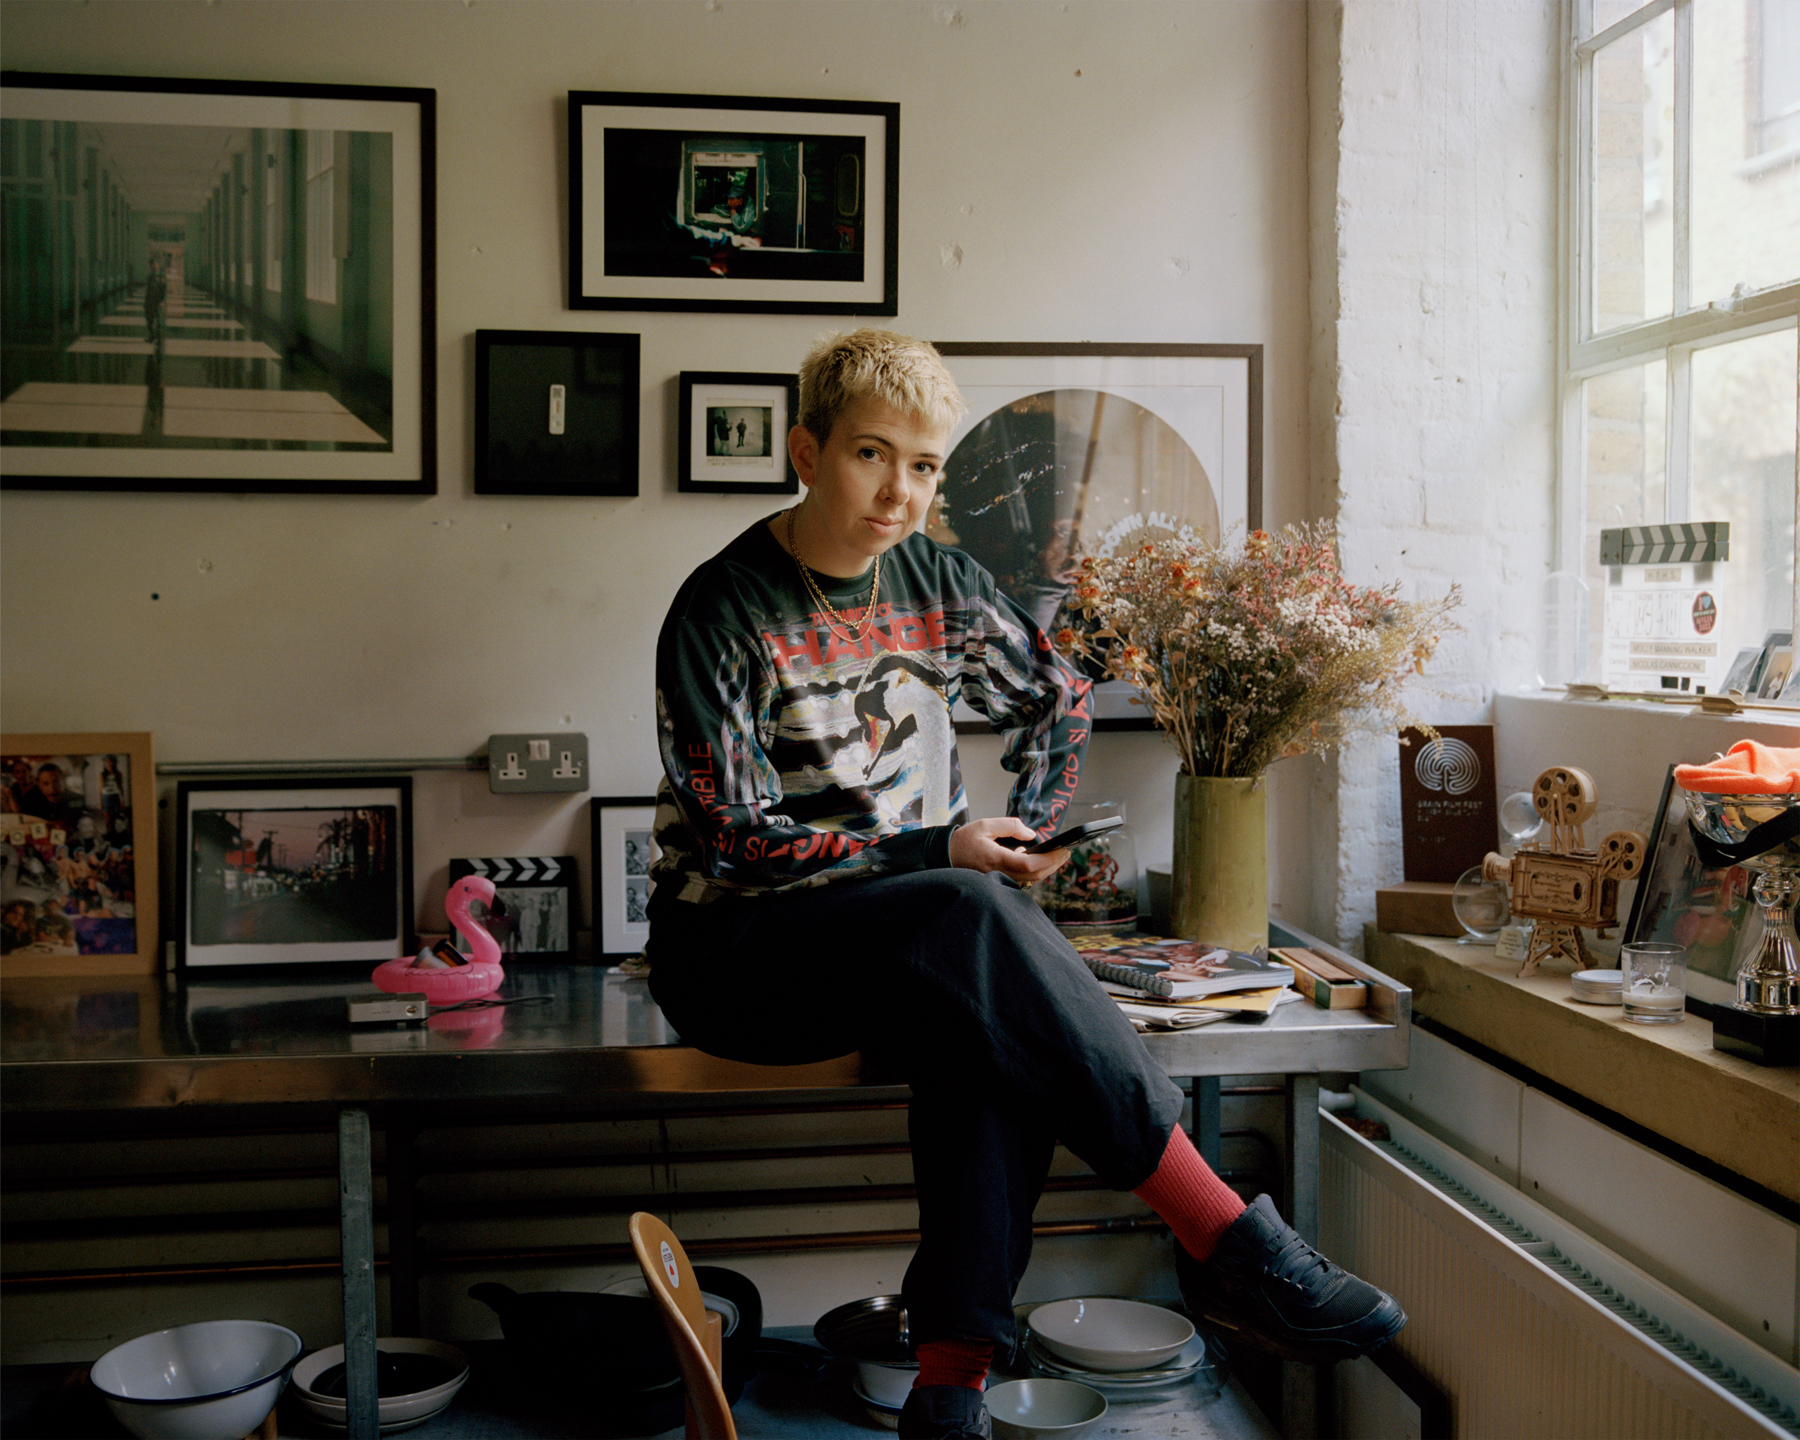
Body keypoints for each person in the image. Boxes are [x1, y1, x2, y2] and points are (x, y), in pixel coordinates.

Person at [645, 330, 1404, 1440]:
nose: (899, 491)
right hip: (739, 956)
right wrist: (941, 854)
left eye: (924, 465)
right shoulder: (722, 608)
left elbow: (1056, 693)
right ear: (806, 452)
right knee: (966, 917)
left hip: (911, 934)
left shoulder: (938, 582)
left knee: (983, 1013)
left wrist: (1035, 831)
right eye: (870, 455)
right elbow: (737, 845)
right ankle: (1229, 1239)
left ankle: (948, 1392)